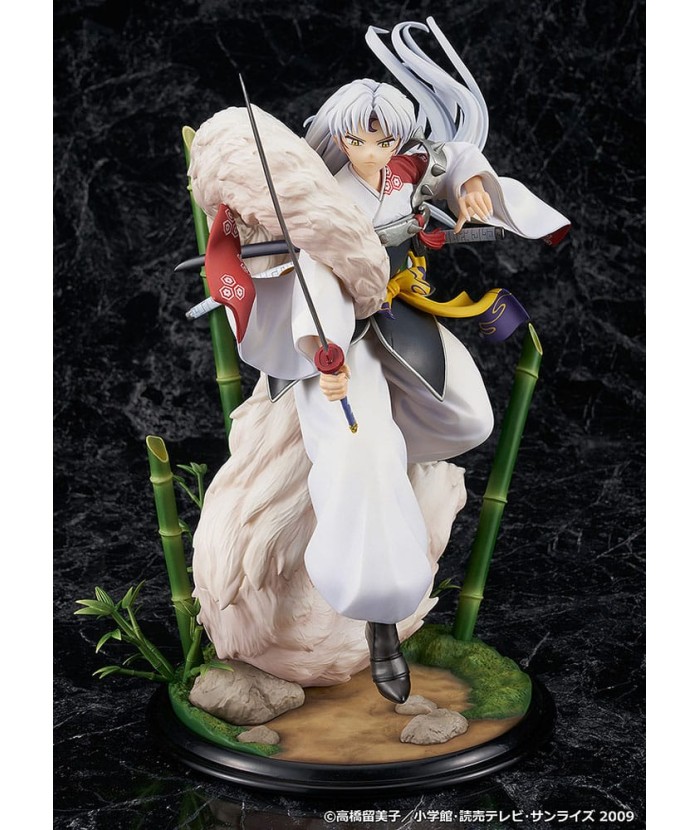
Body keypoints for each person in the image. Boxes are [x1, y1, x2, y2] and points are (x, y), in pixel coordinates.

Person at [189, 19, 569, 704]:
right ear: (338, 139)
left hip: (398, 318)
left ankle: (392, 469)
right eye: (358, 140)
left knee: (470, 417)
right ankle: (382, 623)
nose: (370, 153)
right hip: (338, 336)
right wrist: (323, 354)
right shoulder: (320, 199)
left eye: (383, 140)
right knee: (358, 454)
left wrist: (472, 185)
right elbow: (314, 278)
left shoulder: (404, 172)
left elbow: (452, 156)